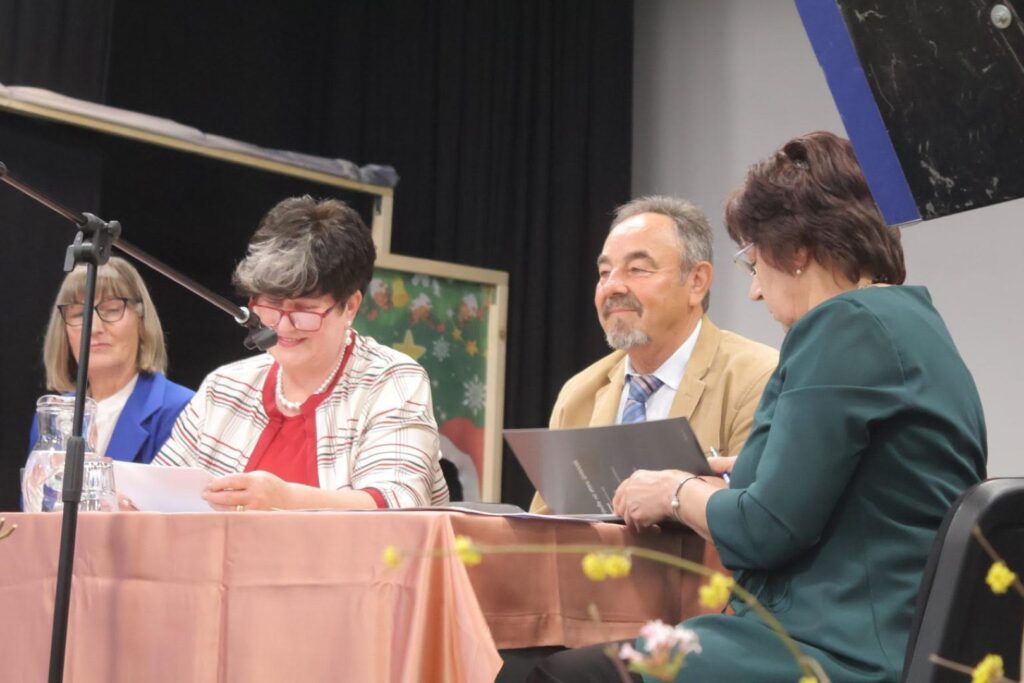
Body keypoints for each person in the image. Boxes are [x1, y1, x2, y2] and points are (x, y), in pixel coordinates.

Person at [531, 132, 987, 683]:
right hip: (892, 640)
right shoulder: (914, 323)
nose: (754, 292)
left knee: (558, 674)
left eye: (753, 264)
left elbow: (764, 532)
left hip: (835, 651)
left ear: (796, 251)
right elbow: (859, 489)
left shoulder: (842, 326)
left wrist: (675, 490)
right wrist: (742, 475)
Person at [155, 196, 449, 510]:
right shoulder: (224, 386)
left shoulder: (391, 381)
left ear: (350, 306)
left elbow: (401, 506)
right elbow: (160, 489)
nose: (283, 326)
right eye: (270, 305)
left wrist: (287, 500)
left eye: (304, 310)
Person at [529, 195, 778, 516]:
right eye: (604, 272)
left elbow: (755, 518)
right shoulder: (579, 393)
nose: (612, 287)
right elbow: (544, 527)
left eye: (636, 269)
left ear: (697, 282)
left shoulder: (757, 378)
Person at [28, 257, 194, 464]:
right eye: (79, 314)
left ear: (141, 321)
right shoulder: (52, 417)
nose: (95, 328)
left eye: (113, 310)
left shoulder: (183, 410)